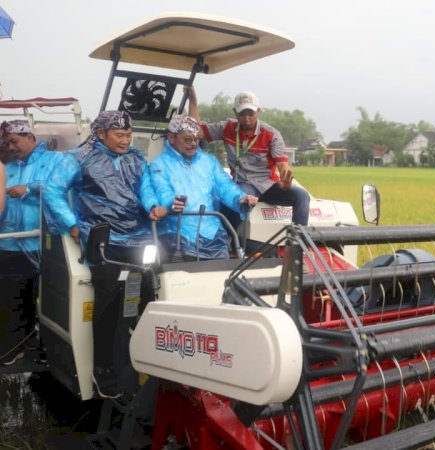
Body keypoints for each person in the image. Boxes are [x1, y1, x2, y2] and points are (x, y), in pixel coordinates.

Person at [44, 111, 167, 398]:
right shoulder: (78, 157)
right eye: (119, 135)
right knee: (108, 304)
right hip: (103, 240)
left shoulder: (136, 158)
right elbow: (52, 190)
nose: (126, 140)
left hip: (138, 239)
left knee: (146, 298)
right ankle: (103, 369)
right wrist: (70, 223)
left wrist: (152, 205)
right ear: (101, 134)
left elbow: (145, 187)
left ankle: (143, 362)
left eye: (128, 135)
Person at [186, 87, 310, 226]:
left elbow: (282, 165)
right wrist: (193, 101)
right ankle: (229, 242)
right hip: (243, 183)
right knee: (239, 201)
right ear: (235, 112)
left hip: (268, 185)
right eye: (242, 113)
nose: (246, 119)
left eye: (250, 113)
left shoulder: (271, 134)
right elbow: (195, 130)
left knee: (302, 196)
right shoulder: (227, 127)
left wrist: (285, 178)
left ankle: (296, 243)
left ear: (258, 111)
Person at [150, 115, 257, 261]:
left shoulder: (209, 161)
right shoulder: (160, 164)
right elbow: (162, 191)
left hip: (212, 232)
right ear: (171, 137)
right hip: (177, 232)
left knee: (221, 278)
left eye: (196, 139)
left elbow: (225, 186)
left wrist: (240, 198)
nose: (193, 144)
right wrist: (171, 203)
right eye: (188, 139)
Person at [0, 120, 63, 365]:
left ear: (31, 137)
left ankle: (32, 342)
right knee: (12, 297)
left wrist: (28, 188)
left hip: (39, 242)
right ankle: (14, 346)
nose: (12, 147)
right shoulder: (8, 166)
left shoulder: (51, 162)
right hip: (8, 243)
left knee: (39, 297)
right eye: (8, 144)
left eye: (15, 142)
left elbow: (58, 187)